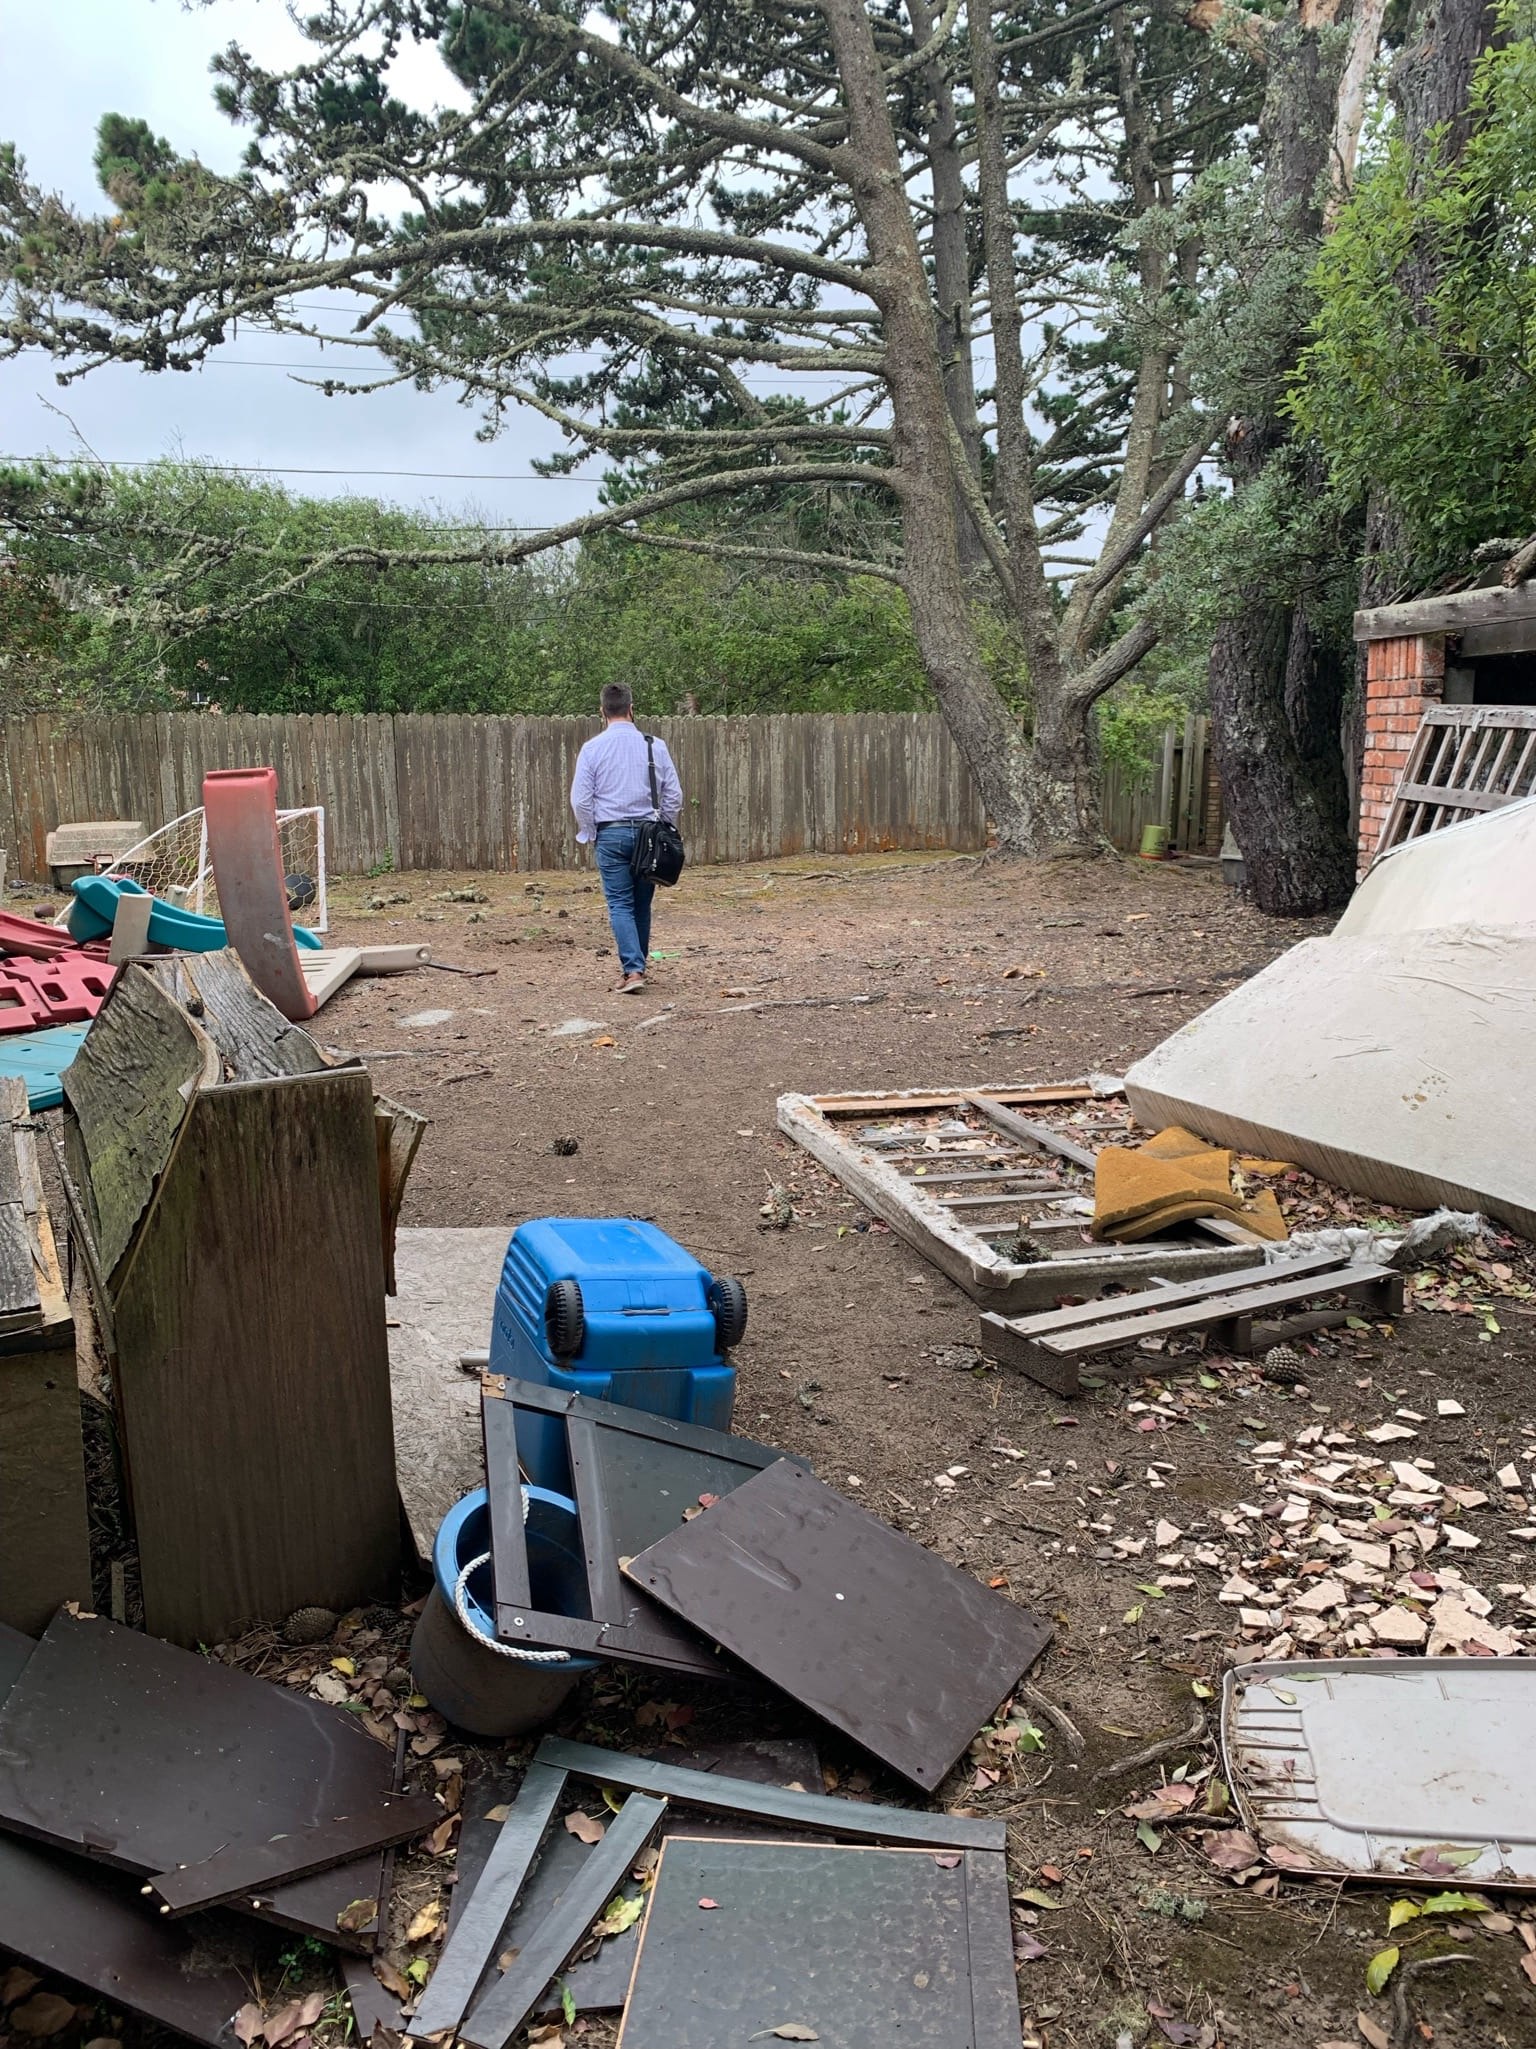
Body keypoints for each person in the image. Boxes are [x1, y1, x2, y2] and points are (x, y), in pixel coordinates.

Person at [570, 682, 684, 994]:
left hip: (611, 833)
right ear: (632, 709)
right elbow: (674, 795)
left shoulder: (592, 749)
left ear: (602, 711)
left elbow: (581, 801)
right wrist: (664, 827)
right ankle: (637, 968)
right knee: (642, 904)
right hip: (649, 835)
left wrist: (590, 831)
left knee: (620, 903)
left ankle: (633, 970)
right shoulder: (654, 746)